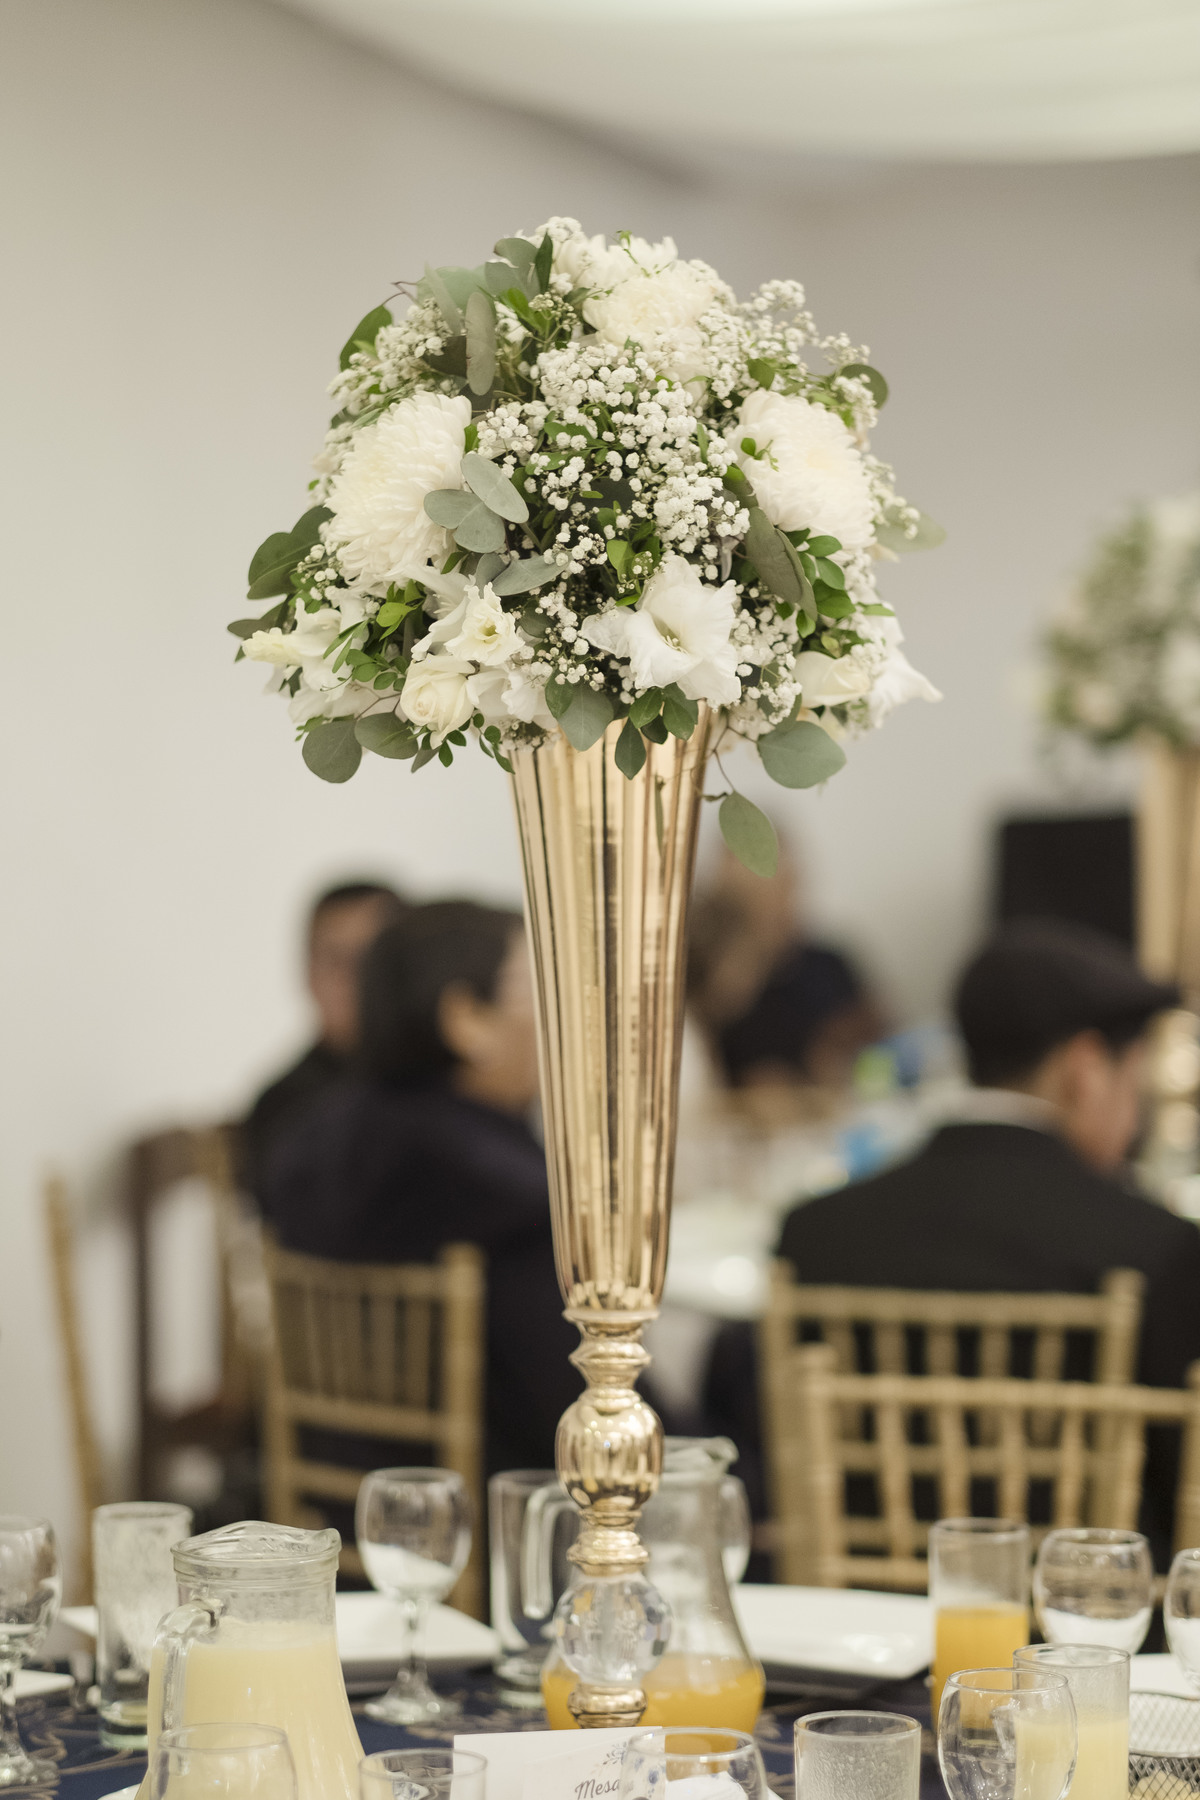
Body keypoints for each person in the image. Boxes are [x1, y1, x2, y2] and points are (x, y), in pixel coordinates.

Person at [705, 920, 1200, 1561]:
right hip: (1079, 1639)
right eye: (1133, 1085)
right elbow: (1182, 1478)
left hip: (858, 1623)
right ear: (1084, 1071)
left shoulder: (816, 1232)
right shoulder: (1154, 1247)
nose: (1135, 1117)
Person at [259, 898, 579, 1476]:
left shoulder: (306, 1145)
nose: (554, 1016)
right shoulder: (500, 1187)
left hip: (332, 1506)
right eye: (533, 986)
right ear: (465, 1019)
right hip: (484, 1520)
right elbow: (580, 1411)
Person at [241, 880, 406, 1204]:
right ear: (308, 973)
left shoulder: (449, 1080)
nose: (353, 978)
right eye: (334, 959)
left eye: (370, 959)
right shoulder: (284, 1105)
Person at [688, 844, 883, 1102]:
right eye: (759, 893)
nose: (777, 904)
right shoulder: (712, 1000)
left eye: (784, 888)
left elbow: (886, 1044)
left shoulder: (830, 963)